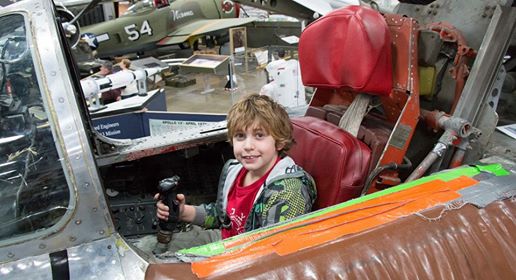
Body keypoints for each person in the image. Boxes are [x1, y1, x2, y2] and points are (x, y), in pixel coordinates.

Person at [154, 94, 316, 252]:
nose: (247, 146)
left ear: (279, 142)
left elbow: (274, 255)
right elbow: (223, 215)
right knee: (147, 248)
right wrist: (182, 212)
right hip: (228, 241)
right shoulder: (235, 170)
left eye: (259, 136)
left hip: (249, 257)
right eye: (240, 136)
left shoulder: (287, 192)